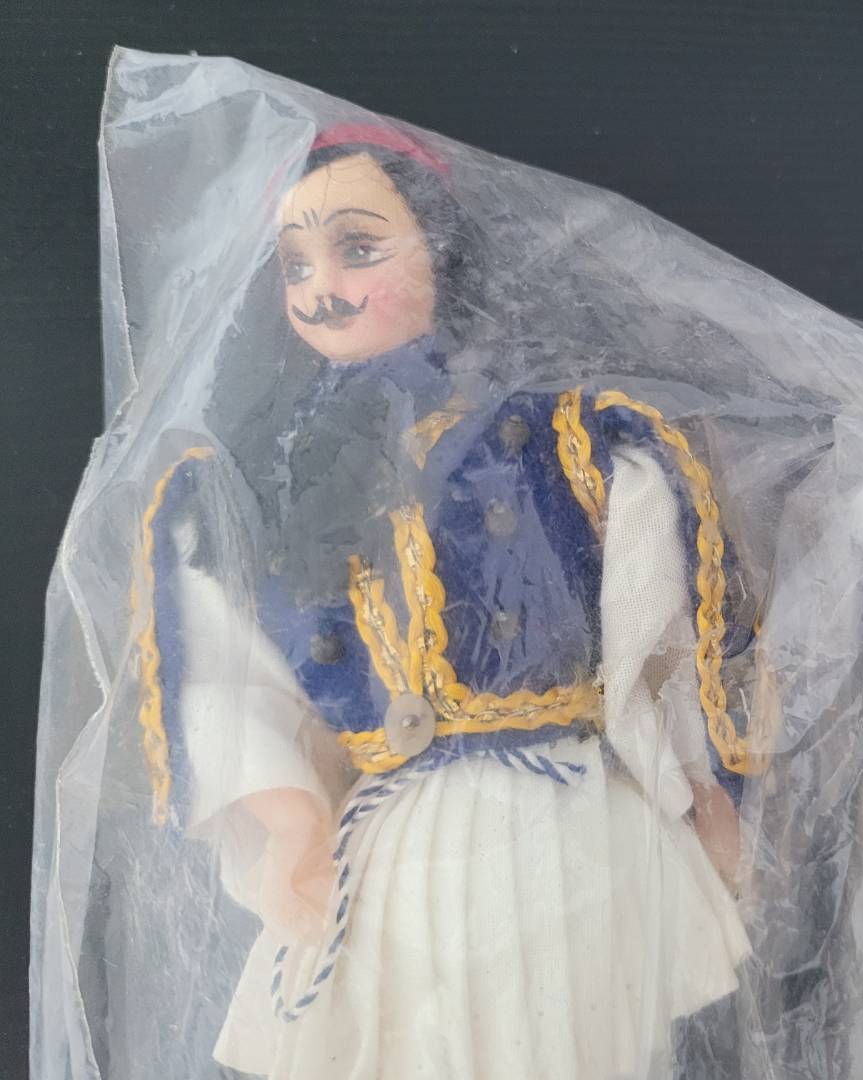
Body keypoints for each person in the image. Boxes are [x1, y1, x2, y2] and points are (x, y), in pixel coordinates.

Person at [142, 125, 752, 1079]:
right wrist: (293, 817)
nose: (321, 288)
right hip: (395, 835)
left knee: (572, 1029)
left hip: (563, 817)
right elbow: (228, 674)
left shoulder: (567, 442)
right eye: (294, 265)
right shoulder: (261, 481)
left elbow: (654, 634)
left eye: (358, 248)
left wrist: (691, 783)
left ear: (444, 253)